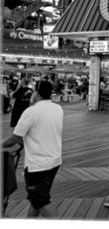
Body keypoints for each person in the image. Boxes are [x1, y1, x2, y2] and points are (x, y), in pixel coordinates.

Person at [2, 80, 63, 218]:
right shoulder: (58, 109)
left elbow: (14, 138)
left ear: (36, 93)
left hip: (37, 166)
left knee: (40, 200)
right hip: (54, 162)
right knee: (38, 199)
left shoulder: (31, 111)